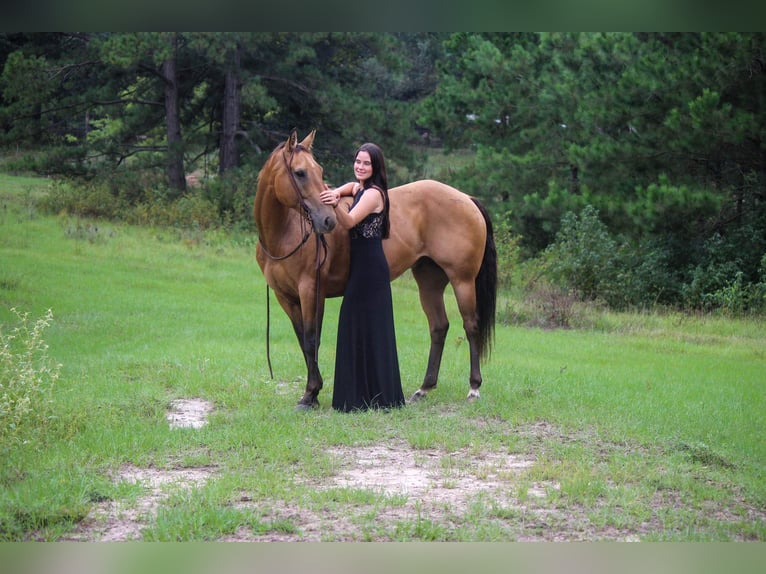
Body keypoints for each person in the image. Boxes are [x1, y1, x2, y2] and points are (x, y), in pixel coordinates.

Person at [319, 143, 406, 412]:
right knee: (359, 327)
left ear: (376, 167)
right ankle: (361, 396)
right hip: (362, 267)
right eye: (357, 161)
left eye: (366, 163)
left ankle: (367, 397)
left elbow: (349, 222)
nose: (360, 166)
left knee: (361, 326)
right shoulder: (361, 188)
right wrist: (337, 191)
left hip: (370, 269)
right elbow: (349, 186)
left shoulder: (373, 195)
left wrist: (334, 205)